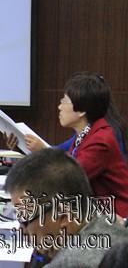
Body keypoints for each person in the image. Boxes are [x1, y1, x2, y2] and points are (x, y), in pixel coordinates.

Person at [7, 72, 128, 217]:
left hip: (114, 219)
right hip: (94, 213)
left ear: (81, 110)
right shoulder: (86, 134)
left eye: (64, 101)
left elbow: (65, 180)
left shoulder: (100, 141)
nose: (59, 107)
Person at [5, 148, 128, 267]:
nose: (22, 231)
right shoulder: (107, 222)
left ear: (64, 216)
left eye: (25, 218)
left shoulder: (71, 263)